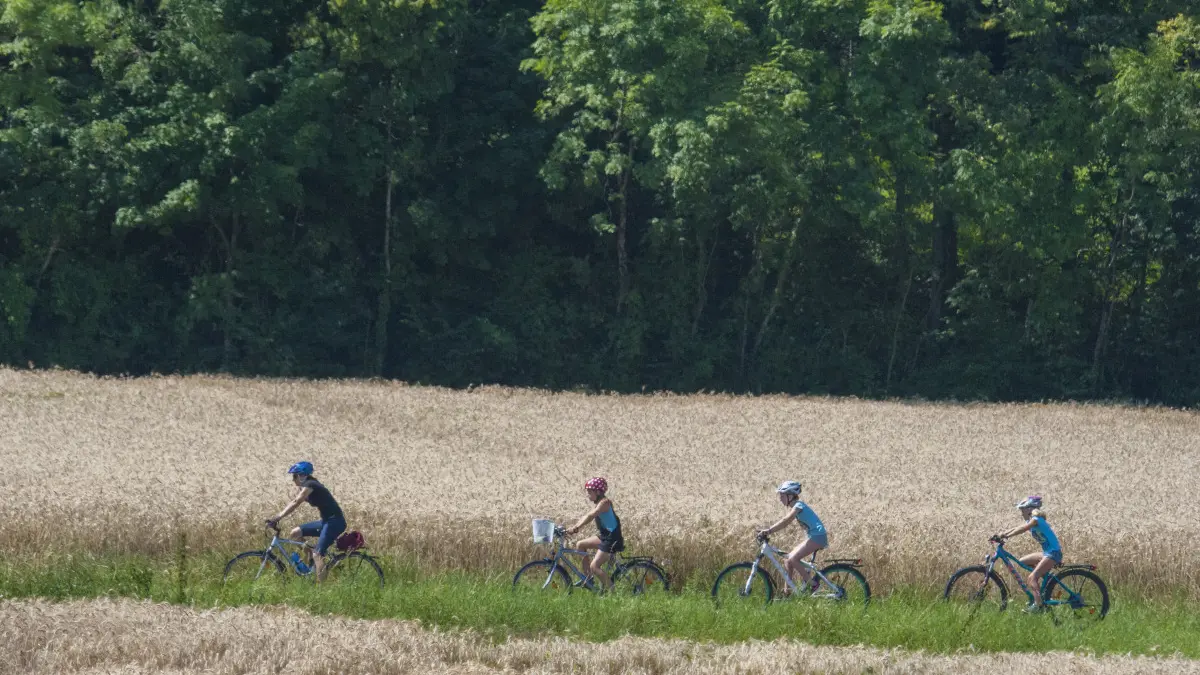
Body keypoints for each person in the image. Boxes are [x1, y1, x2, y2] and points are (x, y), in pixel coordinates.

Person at [266, 461, 346, 582]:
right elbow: (294, 501)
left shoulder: (310, 484)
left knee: (318, 554)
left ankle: (321, 589)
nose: (293, 479)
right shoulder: (308, 486)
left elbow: (295, 502)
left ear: (302, 475)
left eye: (294, 476)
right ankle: (312, 563)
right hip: (326, 521)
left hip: (335, 522)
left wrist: (278, 517)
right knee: (295, 533)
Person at [757, 480, 828, 594]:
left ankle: (813, 585)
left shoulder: (798, 506)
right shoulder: (796, 506)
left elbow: (786, 521)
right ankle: (787, 592)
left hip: (817, 536)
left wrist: (769, 531)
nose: (780, 499)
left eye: (782, 496)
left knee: (793, 559)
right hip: (813, 536)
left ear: (790, 496)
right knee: (788, 561)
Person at [996, 494, 1062, 612]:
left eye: (1023, 509)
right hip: (1047, 553)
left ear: (1030, 509)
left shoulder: (1036, 520)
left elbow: (1023, 529)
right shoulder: (1031, 520)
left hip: (1053, 553)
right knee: (1022, 561)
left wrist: (1007, 536)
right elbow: (1018, 527)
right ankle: (1047, 582)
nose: (1021, 512)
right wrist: (1003, 533)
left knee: (1032, 578)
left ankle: (1038, 606)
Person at [565, 477, 624, 592]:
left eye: (589, 492)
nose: (587, 494)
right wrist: (574, 526)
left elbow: (591, 515)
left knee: (594, 566)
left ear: (598, 492)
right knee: (580, 545)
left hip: (612, 539)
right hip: (605, 536)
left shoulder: (605, 503)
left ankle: (613, 592)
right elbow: (587, 515)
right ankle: (589, 579)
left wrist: (576, 528)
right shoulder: (599, 503)